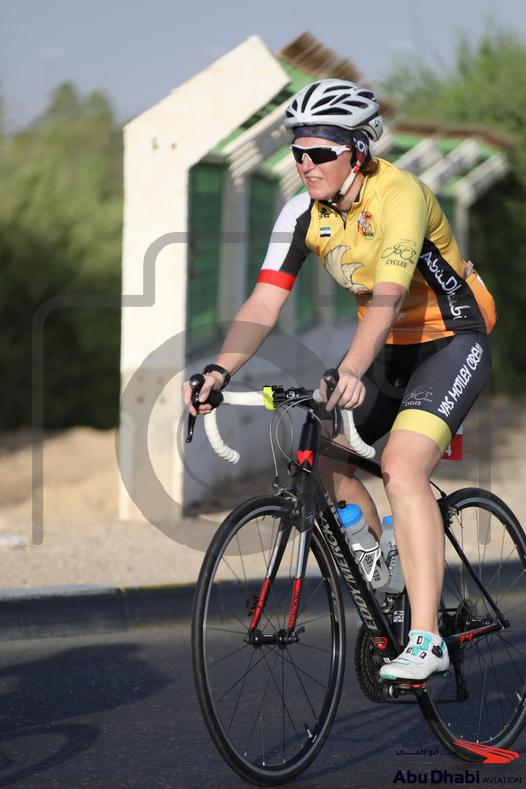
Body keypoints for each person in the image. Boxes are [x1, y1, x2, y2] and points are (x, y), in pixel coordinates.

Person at [183, 79, 496, 681]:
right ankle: (383, 564)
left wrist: (351, 367)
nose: (306, 164)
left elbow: (387, 297)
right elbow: (264, 302)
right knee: (323, 450)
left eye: (321, 152)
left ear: (357, 152)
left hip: (452, 339)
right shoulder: (301, 212)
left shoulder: (400, 195)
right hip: (387, 348)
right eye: (298, 151)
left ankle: (426, 638)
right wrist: (220, 370)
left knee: (401, 467)